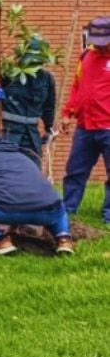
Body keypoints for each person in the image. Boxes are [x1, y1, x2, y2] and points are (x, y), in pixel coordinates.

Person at [0, 128, 74, 256]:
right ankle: (64, 238)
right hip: (49, 212)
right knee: (57, 203)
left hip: (11, 209)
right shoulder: (21, 155)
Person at [0, 35, 56, 166]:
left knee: (32, 171)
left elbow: (49, 107)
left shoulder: (46, 78)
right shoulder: (7, 72)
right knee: (2, 171)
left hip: (30, 135)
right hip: (4, 132)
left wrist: (49, 129)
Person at [60, 16, 110, 224]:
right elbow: (77, 87)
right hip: (85, 126)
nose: (98, 46)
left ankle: (109, 214)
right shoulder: (86, 56)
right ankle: (68, 209)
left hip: (108, 126)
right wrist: (67, 112)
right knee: (75, 171)